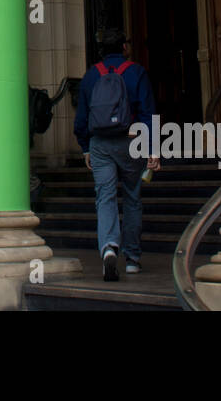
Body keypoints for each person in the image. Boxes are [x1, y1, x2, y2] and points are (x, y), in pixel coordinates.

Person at [74, 28, 159, 281]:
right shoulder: (136, 72)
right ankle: (132, 258)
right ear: (124, 47)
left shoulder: (91, 76)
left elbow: (81, 119)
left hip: (100, 144)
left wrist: (85, 147)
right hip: (132, 141)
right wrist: (153, 149)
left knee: (105, 197)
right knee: (132, 197)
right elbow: (148, 112)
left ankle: (109, 248)